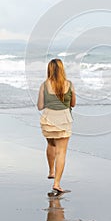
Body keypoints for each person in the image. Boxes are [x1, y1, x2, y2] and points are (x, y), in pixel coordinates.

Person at [37, 58, 76, 196]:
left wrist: (50, 101)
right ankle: (57, 183)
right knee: (61, 152)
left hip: (48, 119)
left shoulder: (44, 85)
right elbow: (73, 104)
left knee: (51, 145)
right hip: (64, 120)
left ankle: (51, 171)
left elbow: (40, 106)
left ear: (49, 70)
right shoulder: (69, 84)